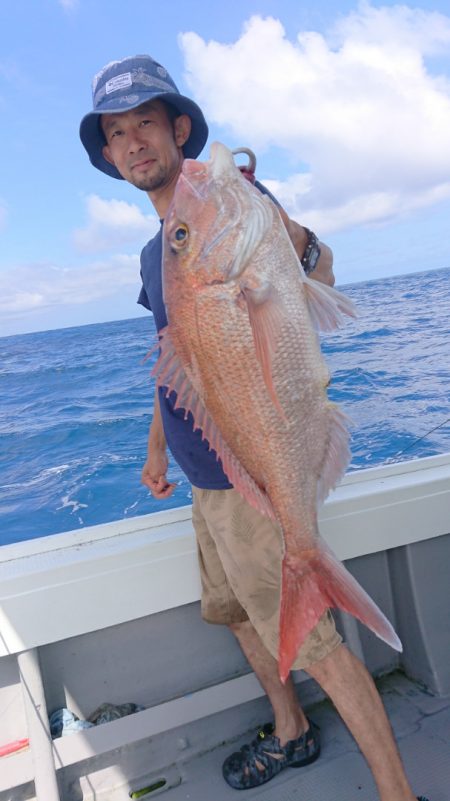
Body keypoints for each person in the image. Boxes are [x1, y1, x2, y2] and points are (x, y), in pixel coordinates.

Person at [80, 55, 428, 800]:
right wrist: (155, 449)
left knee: (319, 645)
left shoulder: (237, 205)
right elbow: (179, 360)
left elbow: (323, 275)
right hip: (205, 479)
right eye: (117, 132)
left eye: (146, 121)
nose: (135, 140)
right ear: (109, 157)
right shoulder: (158, 257)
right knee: (235, 615)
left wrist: (298, 242)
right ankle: (293, 731)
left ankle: (400, 793)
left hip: (255, 482)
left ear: (179, 128)